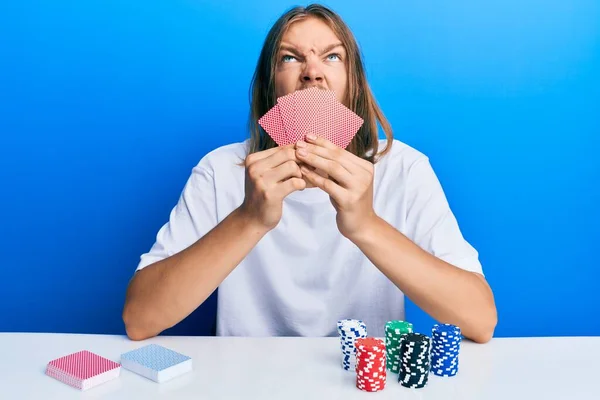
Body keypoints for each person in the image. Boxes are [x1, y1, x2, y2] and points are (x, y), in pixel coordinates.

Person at [122, 4, 497, 343]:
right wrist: (249, 219)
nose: (312, 73)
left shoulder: (404, 169)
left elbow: (480, 320)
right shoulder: (221, 170)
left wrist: (365, 225)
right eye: (290, 58)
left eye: (332, 57)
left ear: (354, 84)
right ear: (271, 89)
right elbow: (139, 319)